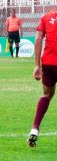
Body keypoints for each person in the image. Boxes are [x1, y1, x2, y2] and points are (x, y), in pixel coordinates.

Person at [28, 9, 57, 147]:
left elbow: (38, 38)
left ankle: (35, 128)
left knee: (46, 94)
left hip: (49, 63)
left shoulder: (46, 17)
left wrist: (36, 66)